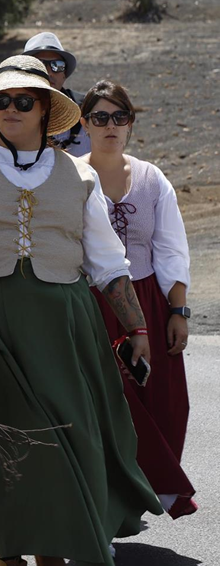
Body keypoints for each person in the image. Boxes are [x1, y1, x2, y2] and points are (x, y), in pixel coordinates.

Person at [0, 57, 161, 566]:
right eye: (1, 100)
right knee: (6, 443)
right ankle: (10, 557)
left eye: (24, 101)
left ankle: (53, 544)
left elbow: (108, 261)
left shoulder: (80, 173)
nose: (11, 109)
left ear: (45, 109)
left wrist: (138, 330)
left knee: (74, 434)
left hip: (65, 321)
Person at [80, 80, 196, 519]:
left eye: (119, 117)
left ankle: (150, 490)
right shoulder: (71, 176)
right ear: (84, 123)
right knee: (104, 407)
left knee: (164, 403)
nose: (110, 126)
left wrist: (178, 311)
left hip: (148, 300)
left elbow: (171, 248)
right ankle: (108, 500)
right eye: (100, 117)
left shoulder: (152, 179)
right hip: (91, 306)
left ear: (131, 123)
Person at [24, 31, 89, 156]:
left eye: (58, 66)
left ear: (64, 75)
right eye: (40, 65)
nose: (49, 73)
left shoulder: (87, 111)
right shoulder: (5, 109)